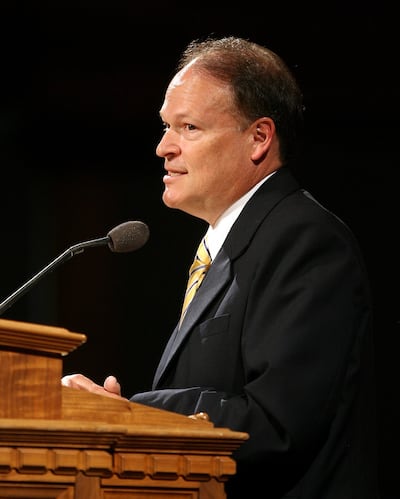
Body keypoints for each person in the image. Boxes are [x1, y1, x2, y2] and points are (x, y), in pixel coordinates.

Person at [62, 36, 379, 498]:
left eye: (189, 127)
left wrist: (128, 414)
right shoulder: (226, 244)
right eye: (166, 126)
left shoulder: (305, 240)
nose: (163, 147)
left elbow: (276, 425)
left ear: (259, 138)